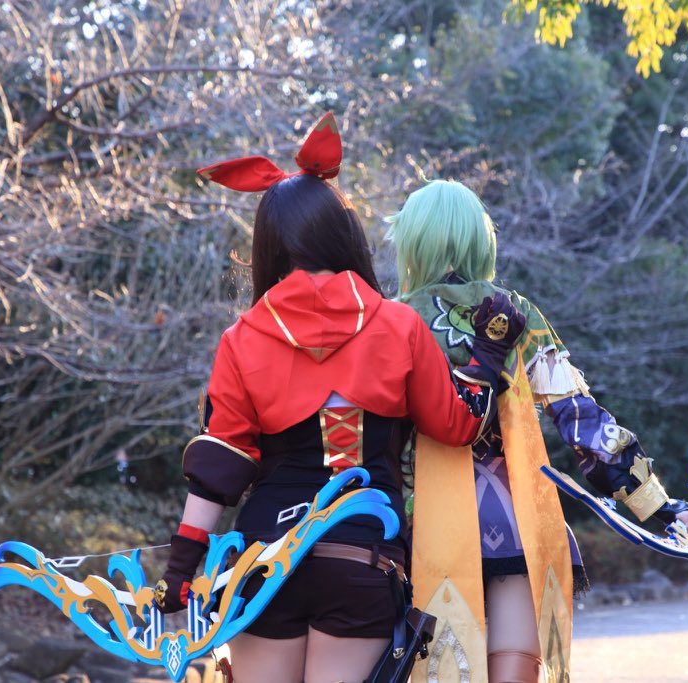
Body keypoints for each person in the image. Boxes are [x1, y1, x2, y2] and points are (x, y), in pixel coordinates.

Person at [153, 116, 524, 683]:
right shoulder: (398, 327)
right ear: (344, 235)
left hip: (263, 564)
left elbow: (217, 472)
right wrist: (488, 355)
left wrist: (180, 569)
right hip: (361, 557)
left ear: (268, 247)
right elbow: (458, 425)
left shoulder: (241, 338)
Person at [387, 179, 688, 683]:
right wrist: (658, 506)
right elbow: (583, 422)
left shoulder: (391, 320)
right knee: (516, 663)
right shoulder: (519, 313)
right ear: (480, 241)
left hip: (418, 523)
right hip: (514, 520)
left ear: (412, 242)